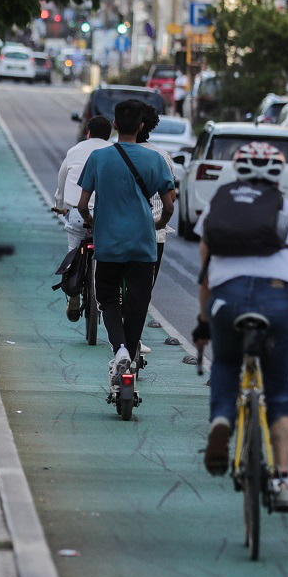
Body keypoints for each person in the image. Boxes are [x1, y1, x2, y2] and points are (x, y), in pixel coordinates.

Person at [191, 141, 288, 513]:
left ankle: (221, 421)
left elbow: (205, 275)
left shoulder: (217, 209)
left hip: (227, 299)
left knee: (227, 363)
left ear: (237, 172)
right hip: (279, 300)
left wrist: (203, 323)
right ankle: (282, 482)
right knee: (280, 390)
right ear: (279, 175)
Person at [76, 100, 175, 380]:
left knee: (108, 298)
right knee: (138, 303)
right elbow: (169, 206)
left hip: (108, 243)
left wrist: (91, 220)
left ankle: (119, 350)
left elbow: (82, 204)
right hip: (143, 244)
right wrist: (160, 223)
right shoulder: (156, 159)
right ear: (141, 126)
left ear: (115, 125)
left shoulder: (98, 157)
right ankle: (129, 358)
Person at [52, 114, 112, 321]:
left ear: (88, 133)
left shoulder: (75, 150)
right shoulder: (114, 151)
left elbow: (62, 179)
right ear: (109, 134)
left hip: (78, 214)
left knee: (73, 250)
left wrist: (60, 205)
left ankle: (73, 294)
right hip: (107, 216)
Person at [136, 105, 178, 288]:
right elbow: (171, 198)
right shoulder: (162, 156)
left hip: (118, 232)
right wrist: (160, 222)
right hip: (154, 232)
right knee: (144, 288)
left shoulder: (109, 153)